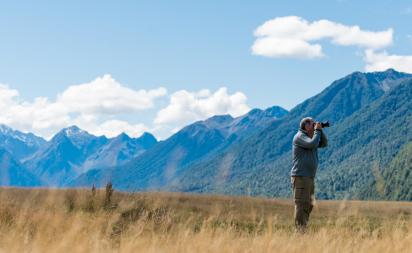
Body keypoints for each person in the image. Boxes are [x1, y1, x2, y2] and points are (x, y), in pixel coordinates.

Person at [290, 117, 328, 232]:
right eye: (312, 124)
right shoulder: (300, 137)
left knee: (309, 204)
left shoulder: (311, 137)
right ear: (305, 126)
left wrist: (320, 130)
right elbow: (312, 144)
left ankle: (303, 227)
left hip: (309, 177)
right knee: (301, 205)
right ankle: (299, 231)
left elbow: (324, 144)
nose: (314, 125)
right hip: (300, 177)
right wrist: (317, 131)